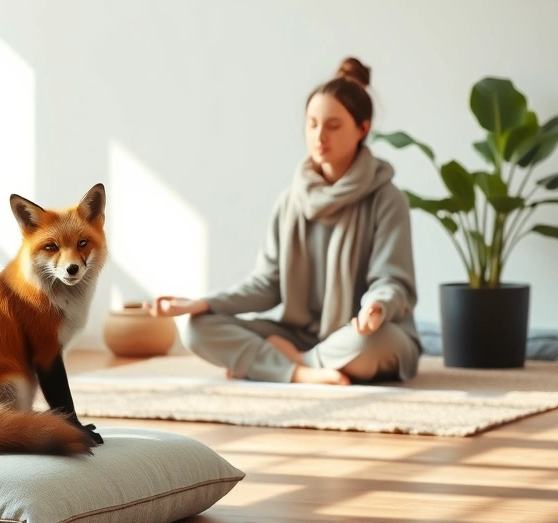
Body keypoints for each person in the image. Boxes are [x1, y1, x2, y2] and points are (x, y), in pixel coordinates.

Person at [146, 57, 422, 386]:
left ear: (362, 129)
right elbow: (267, 284)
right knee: (195, 327)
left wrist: (377, 307)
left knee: (380, 345)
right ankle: (304, 371)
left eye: (333, 126)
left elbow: (394, 281)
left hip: (364, 335)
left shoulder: (387, 199)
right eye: (312, 124)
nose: (320, 136)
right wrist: (202, 302)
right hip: (297, 333)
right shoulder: (291, 200)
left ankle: (288, 363)